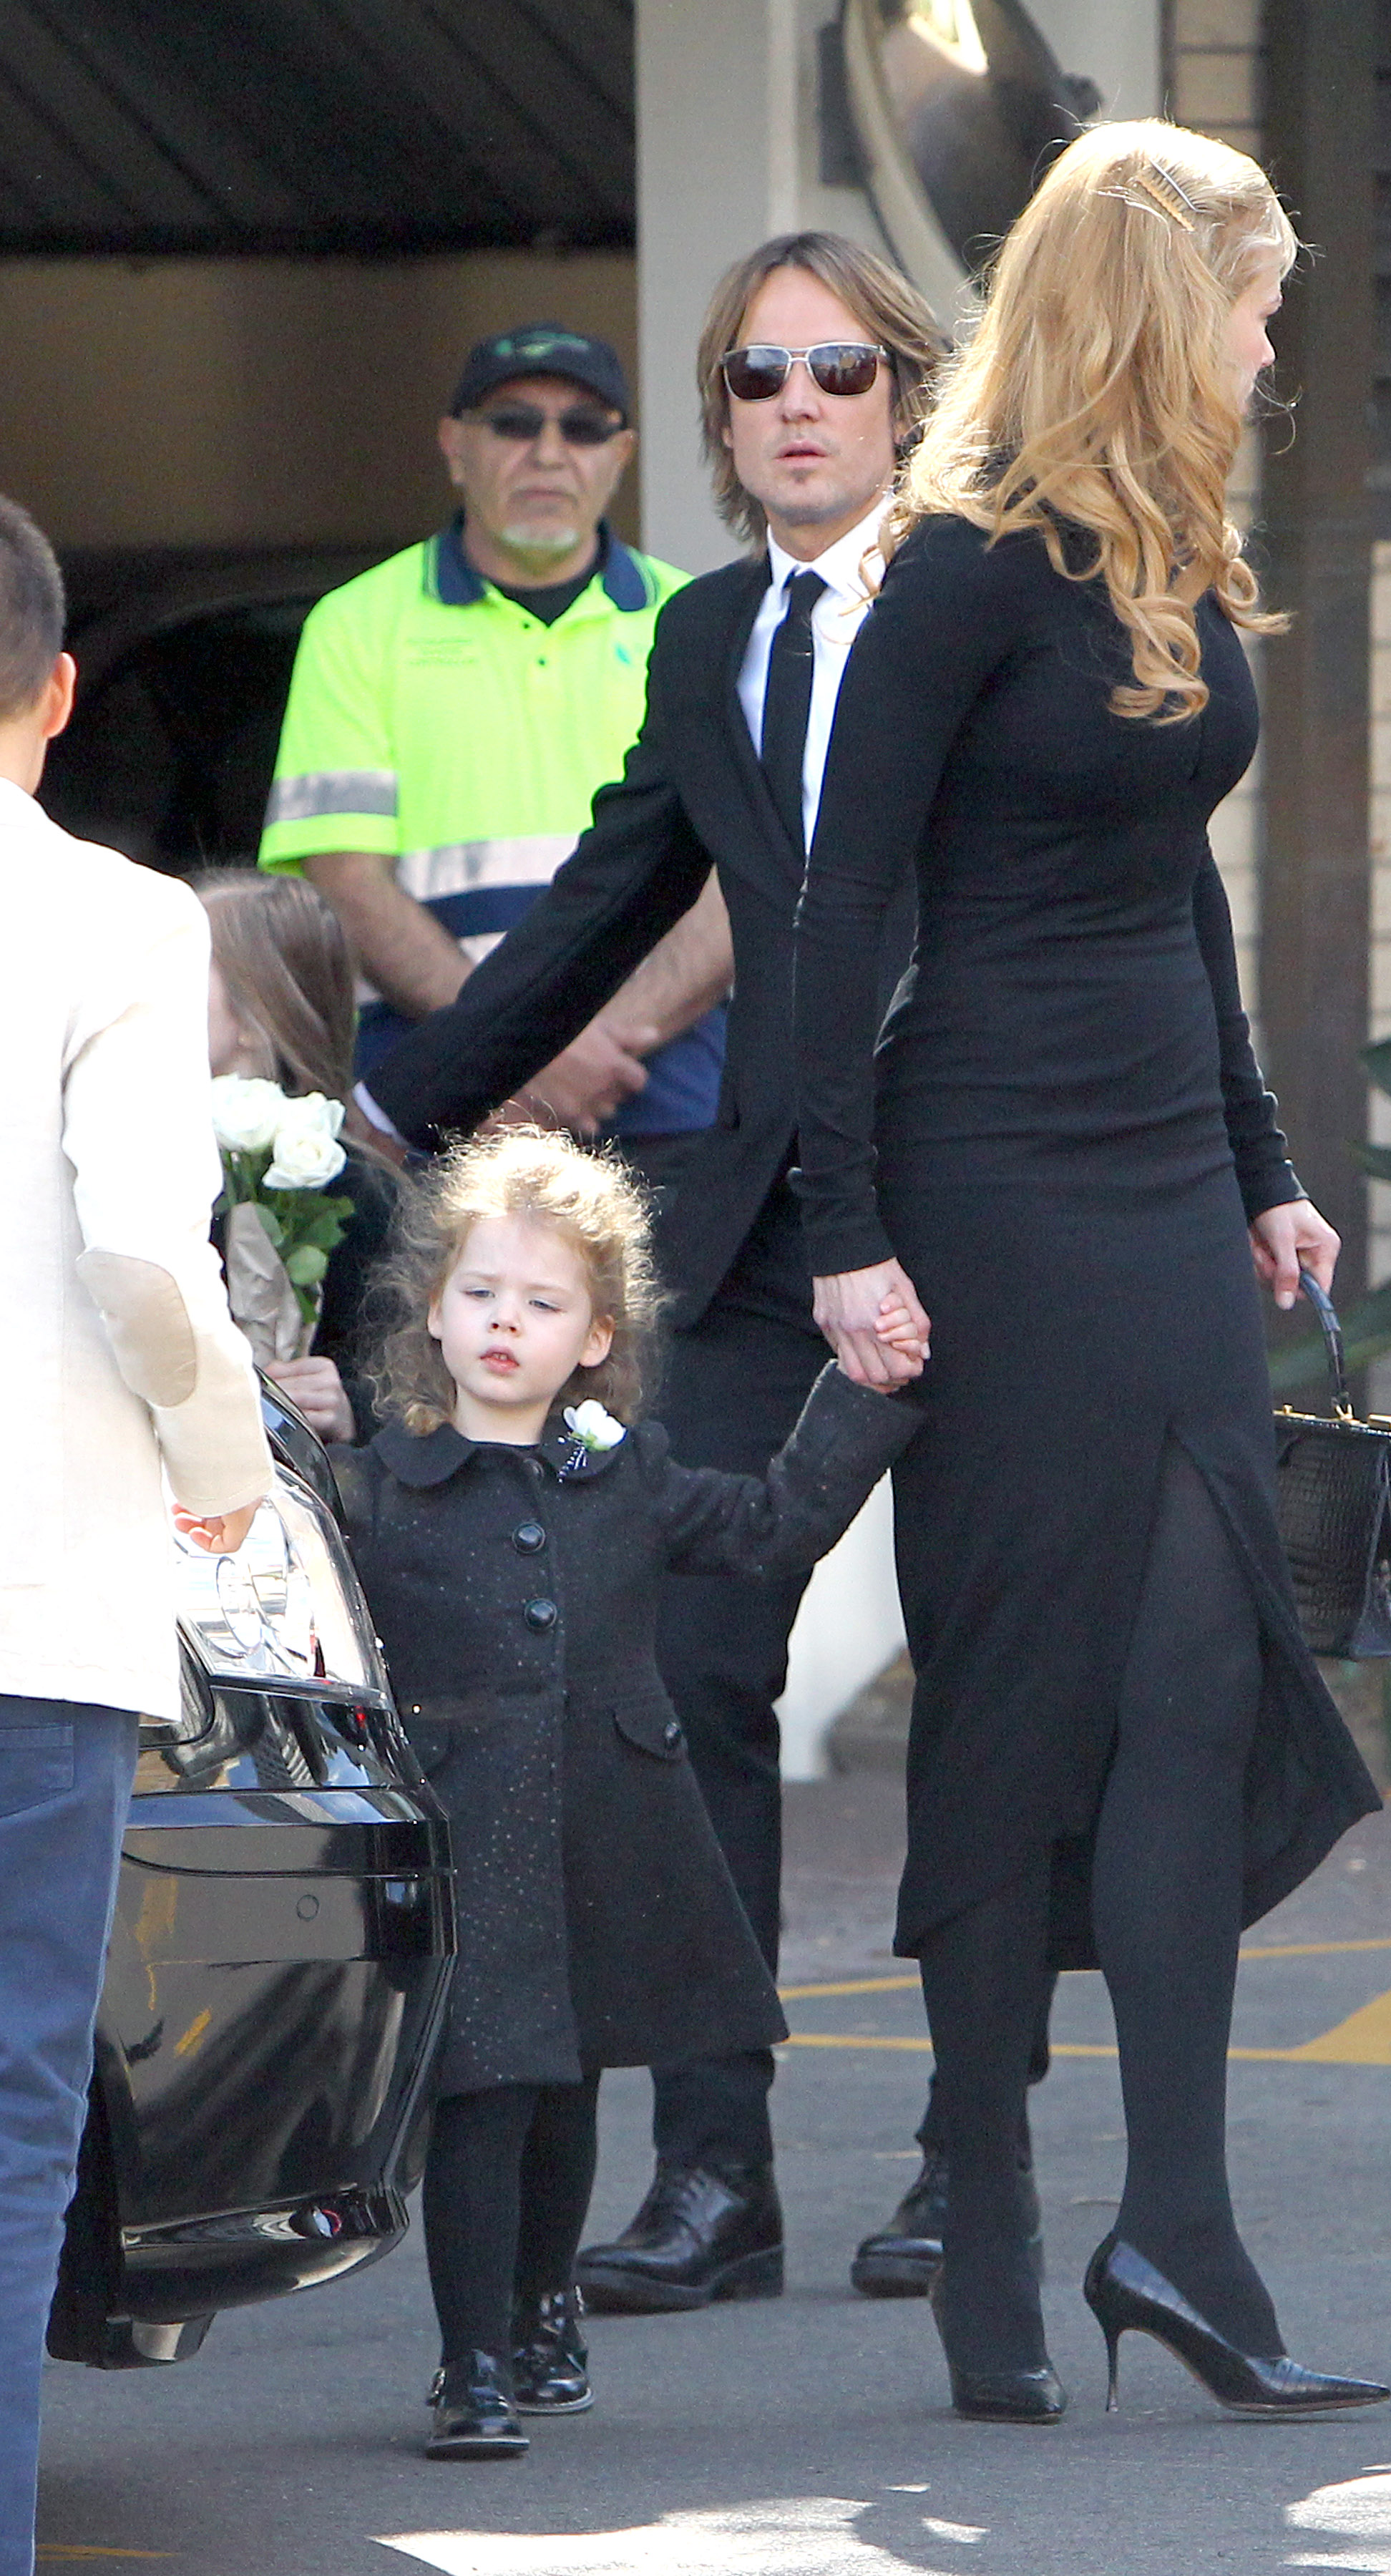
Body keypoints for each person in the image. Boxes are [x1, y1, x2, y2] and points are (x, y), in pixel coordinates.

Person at [791, 121, 1390, 2425]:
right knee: (1022, 1699)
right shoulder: (953, 569)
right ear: (1155, 305)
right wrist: (845, 1230)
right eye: (1251, 301)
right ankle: (986, 2208)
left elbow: (1178, 880)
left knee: (1196, 1689)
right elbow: (840, 910)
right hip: (993, 1181)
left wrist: (1258, 1163)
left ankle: (1181, 2233)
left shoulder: (1170, 542)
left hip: (1155, 1181)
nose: (1268, 344)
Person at [356, 235, 963, 2313]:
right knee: (688, 1657)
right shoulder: (706, 637)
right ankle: (718, 2175)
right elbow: (612, 895)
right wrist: (395, 1116)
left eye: (839, 370)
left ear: (905, 398)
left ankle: (967, 2158)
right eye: (756, 376)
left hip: (979, 1198)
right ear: (717, 421)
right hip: (763, 1212)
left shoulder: (981, 603)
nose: (797, 404)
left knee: (992, 1666)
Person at [330, 1127, 917, 2458]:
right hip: (464, 1835)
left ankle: (544, 2312)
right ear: (434, 1311)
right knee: (481, 2094)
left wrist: (861, 1392)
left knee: (567, 2090)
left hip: (606, 1826)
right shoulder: (379, 1490)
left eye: (543, 1305)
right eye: (482, 1293)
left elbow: (771, 1525)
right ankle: (472, 2361)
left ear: (596, 1339)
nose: (505, 1322)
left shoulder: (626, 1474)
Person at [0, 494, 270, 2572]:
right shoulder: (117, 923)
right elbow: (146, 1262)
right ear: (61, 689)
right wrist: (222, 1456)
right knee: (13, 2125)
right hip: (39, 1596)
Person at [259, 322, 732, 1185]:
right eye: (514, 423)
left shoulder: (699, 619)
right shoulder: (355, 626)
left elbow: (742, 875)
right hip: (435, 1095)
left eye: (582, 428)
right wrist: (524, 1052)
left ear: (622, 454)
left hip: (663, 1091)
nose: (549, 453)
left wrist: (576, 1046)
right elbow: (346, 885)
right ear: (454, 446)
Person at [194, 867, 399, 1442]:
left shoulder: (356, 1188)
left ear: (255, 1015)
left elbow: (416, 1377)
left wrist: (353, 1407)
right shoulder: (122, 1155)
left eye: (179, 963)